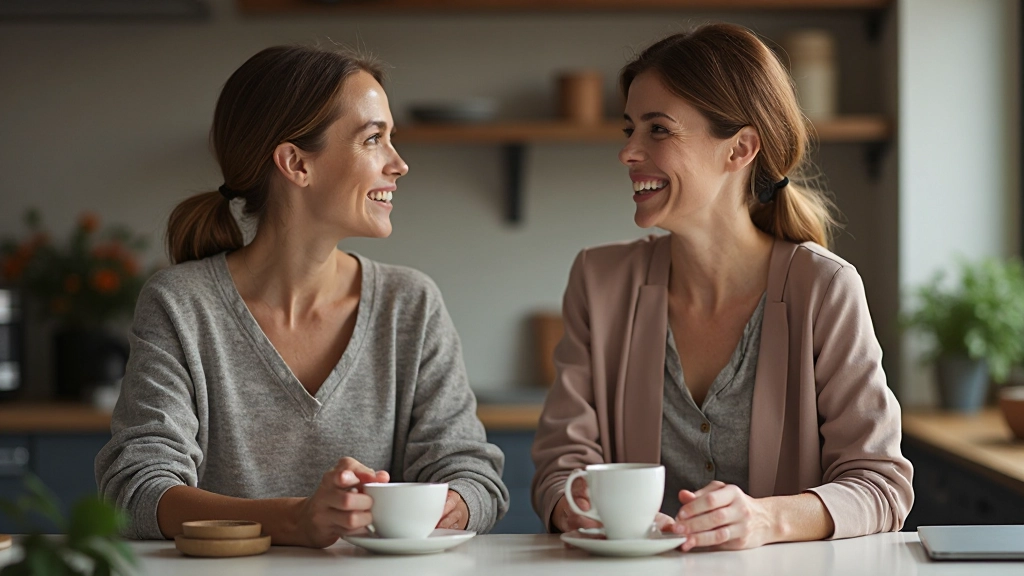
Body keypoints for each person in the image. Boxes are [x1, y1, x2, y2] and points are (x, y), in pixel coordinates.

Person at [95, 45, 508, 547]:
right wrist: (296, 519)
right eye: (374, 139)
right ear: (295, 163)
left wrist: (447, 503)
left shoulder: (410, 303)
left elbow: (475, 478)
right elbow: (135, 491)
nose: (398, 164)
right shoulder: (181, 304)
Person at [531, 23, 913, 551]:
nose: (628, 152)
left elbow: (880, 485)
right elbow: (560, 466)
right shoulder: (600, 282)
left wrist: (765, 520)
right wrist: (581, 510)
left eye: (658, 129)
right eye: (629, 130)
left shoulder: (824, 289)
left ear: (740, 149)